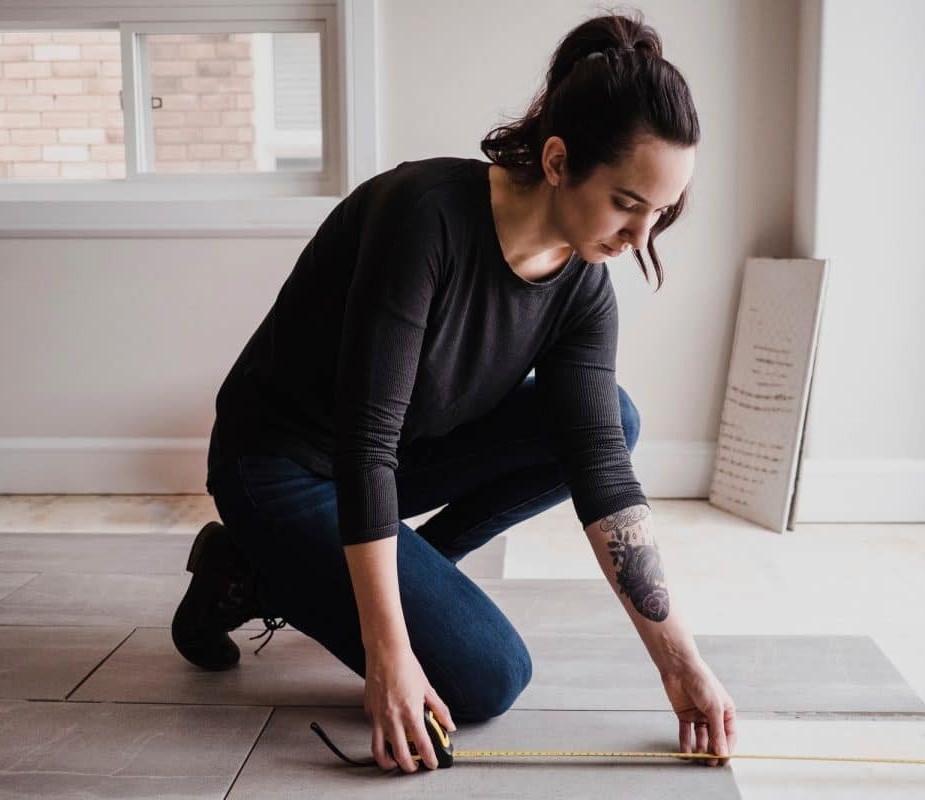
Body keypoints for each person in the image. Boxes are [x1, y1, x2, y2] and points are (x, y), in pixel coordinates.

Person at [172, 10, 737, 774]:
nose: (641, 238)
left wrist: (681, 665)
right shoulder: (425, 217)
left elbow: (603, 471)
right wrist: (390, 655)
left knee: (613, 420)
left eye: (662, 212)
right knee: (489, 676)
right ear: (559, 160)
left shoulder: (583, 289)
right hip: (281, 464)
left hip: (396, 455)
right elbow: (364, 444)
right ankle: (249, 573)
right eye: (628, 203)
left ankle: (381, 576)